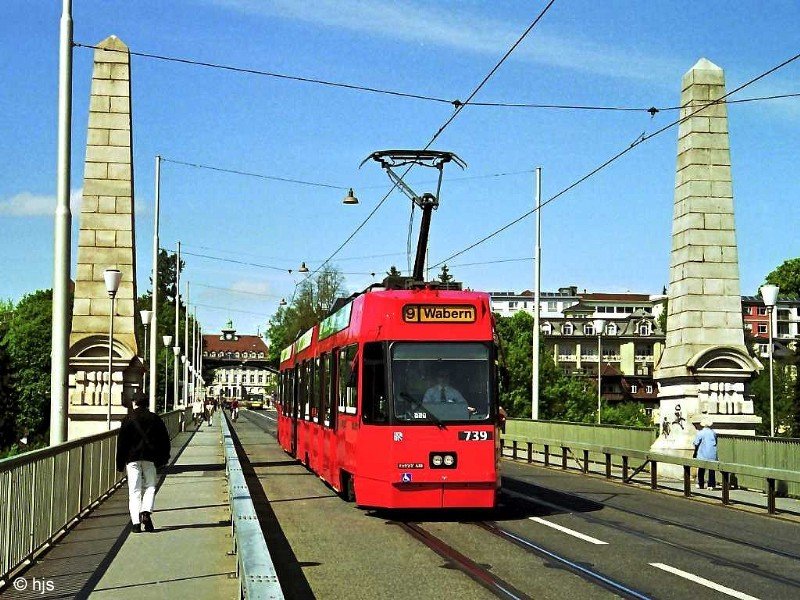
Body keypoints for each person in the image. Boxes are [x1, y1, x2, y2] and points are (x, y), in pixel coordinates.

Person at [116, 395, 171, 533]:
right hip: (150, 458)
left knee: (134, 491)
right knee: (150, 486)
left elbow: (122, 443)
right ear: (147, 404)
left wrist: (120, 462)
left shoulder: (128, 419)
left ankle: (135, 523)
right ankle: (146, 511)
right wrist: (164, 458)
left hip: (132, 458)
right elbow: (164, 439)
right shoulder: (155, 419)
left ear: (134, 402)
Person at [693, 416, 718, 489]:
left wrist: (695, 453)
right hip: (712, 454)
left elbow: (696, 443)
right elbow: (716, 442)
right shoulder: (713, 433)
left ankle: (701, 484)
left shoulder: (700, 433)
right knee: (711, 470)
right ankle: (711, 485)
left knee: (701, 469)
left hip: (702, 453)